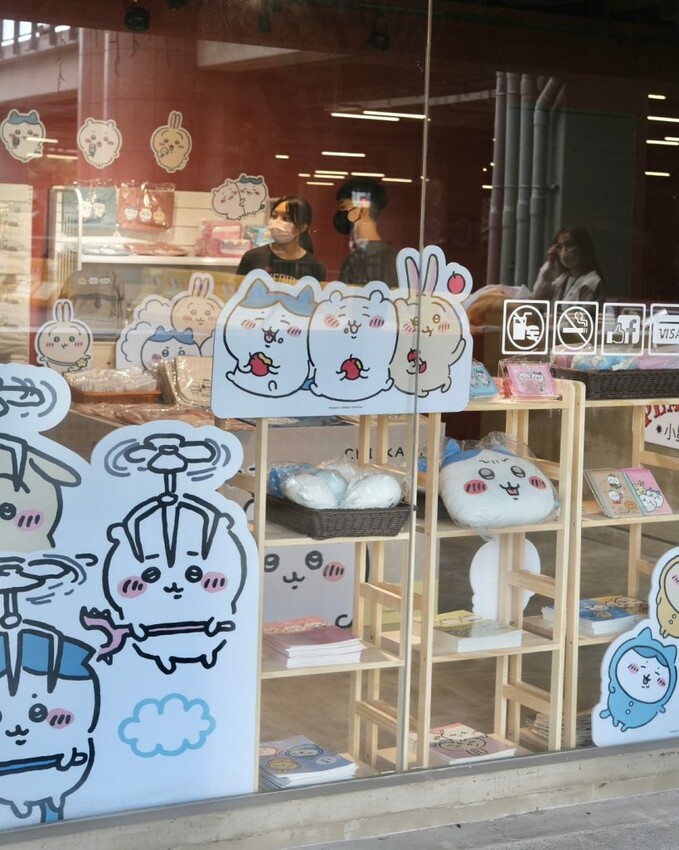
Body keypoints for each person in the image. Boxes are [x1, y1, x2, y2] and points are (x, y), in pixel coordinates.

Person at [237, 195, 326, 283]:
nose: (276, 222)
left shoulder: (314, 267)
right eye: (274, 216)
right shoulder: (253, 257)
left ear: (303, 227)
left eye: (286, 218)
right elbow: (239, 289)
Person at [333, 177, 399, 289]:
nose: (340, 213)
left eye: (343, 207)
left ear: (362, 209)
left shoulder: (355, 260)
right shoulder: (393, 257)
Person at [533, 226, 605, 304]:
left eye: (569, 245)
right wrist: (550, 263)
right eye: (559, 247)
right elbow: (538, 299)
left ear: (582, 248)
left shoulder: (591, 281)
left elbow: (584, 310)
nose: (564, 251)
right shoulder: (563, 279)